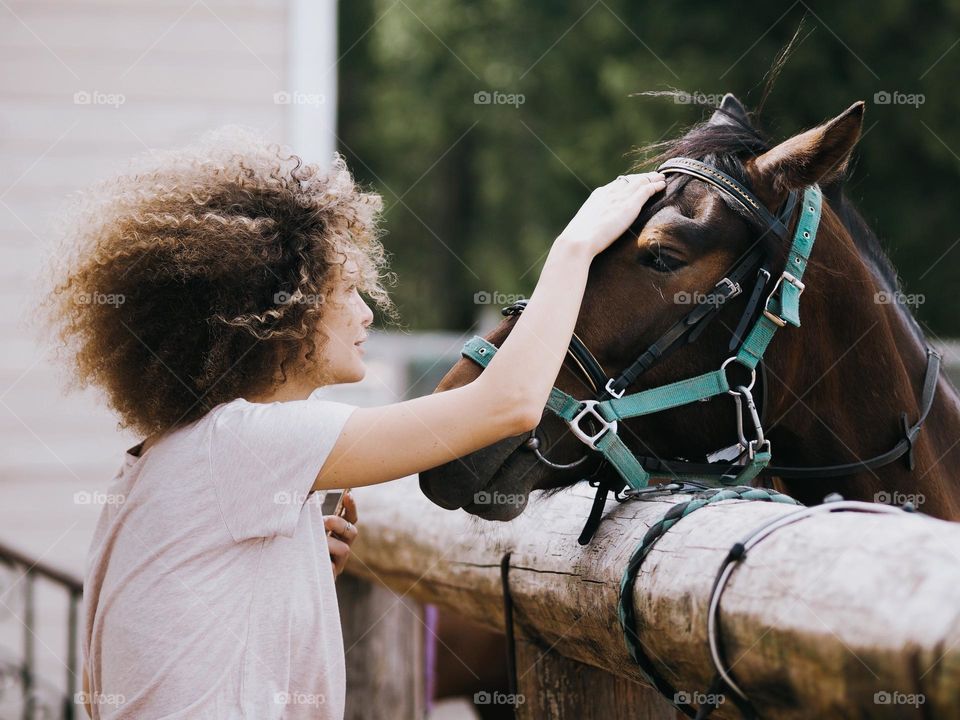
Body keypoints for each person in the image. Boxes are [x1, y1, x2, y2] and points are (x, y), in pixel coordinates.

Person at [44, 126, 665, 719]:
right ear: (279, 309)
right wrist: (575, 248)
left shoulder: (184, 453)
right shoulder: (247, 443)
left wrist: (289, 565)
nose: (366, 313)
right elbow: (507, 405)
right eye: (345, 290)